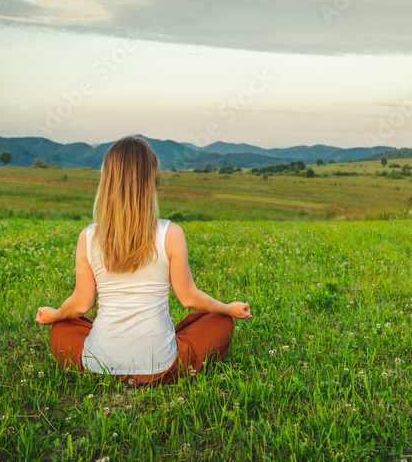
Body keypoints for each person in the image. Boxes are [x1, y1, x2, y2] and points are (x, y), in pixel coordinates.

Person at [35, 136, 252, 385]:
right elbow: (189, 299)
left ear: (106, 181)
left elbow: (80, 305)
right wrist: (228, 309)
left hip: (97, 365)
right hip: (160, 367)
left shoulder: (88, 236)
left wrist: (55, 314)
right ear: (150, 180)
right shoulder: (171, 233)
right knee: (219, 322)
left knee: (64, 327)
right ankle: (165, 342)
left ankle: (118, 351)